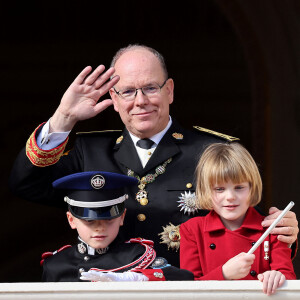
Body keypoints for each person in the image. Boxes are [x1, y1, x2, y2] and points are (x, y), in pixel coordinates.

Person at [9, 44, 298, 268]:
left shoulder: (212, 151)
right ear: (114, 97)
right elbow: (26, 184)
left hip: (189, 291)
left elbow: (254, 232)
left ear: (169, 91)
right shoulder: (89, 150)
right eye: (128, 91)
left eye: (150, 88)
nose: (140, 101)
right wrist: (64, 118)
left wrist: (283, 233)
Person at [180, 143, 296, 295]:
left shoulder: (271, 228)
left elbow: (288, 280)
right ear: (206, 191)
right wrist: (224, 274)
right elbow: (186, 290)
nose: (230, 197)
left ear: (252, 188)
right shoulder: (192, 230)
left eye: (239, 187)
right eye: (219, 189)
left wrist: (277, 277)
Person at [42, 171, 194, 282]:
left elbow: (185, 278)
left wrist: (138, 277)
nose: (99, 228)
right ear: (71, 220)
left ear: (121, 217)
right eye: (89, 221)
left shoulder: (138, 256)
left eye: (109, 220)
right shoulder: (55, 264)